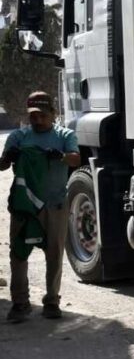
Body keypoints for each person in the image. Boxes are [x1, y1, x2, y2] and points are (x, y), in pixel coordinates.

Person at [0, 91, 79, 323]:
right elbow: (2, 165)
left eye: (43, 115)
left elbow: (76, 159)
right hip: (24, 206)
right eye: (33, 116)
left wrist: (61, 156)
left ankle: (52, 301)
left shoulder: (65, 135)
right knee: (18, 254)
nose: (38, 120)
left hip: (55, 205)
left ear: (53, 113)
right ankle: (20, 303)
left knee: (54, 254)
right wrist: (8, 157)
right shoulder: (18, 137)